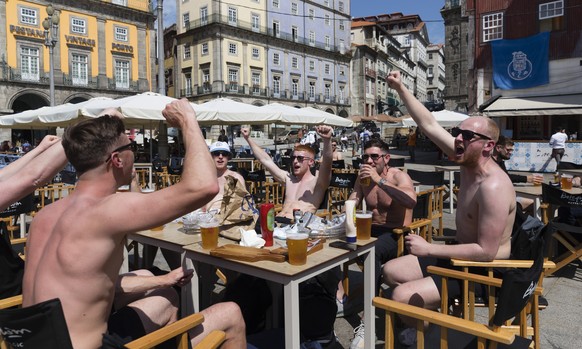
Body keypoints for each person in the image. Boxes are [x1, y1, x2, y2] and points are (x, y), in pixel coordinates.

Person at [22, 100, 246, 349]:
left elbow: (86, 283)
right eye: (132, 146)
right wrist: (187, 120)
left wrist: (160, 281)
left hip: (31, 340)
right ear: (117, 160)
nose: (135, 152)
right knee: (232, 314)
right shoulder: (107, 209)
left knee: (166, 298)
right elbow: (203, 186)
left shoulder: (46, 215)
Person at [379, 71, 515, 346]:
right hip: (459, 255)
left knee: (400, 296)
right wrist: (401, 87)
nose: (458, 139)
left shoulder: (493, 187)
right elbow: (428, 123)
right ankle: (427, 324)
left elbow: (486, 252)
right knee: (391, 271)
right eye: (457, 133)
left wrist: (430, 249)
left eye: (467, 135)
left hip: (482, 271)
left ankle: (425, 334)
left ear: (488, 146)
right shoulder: (467, 161)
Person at [343, 138, 417, 348]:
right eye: (365, 156)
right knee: (335, 245)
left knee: (370, 253)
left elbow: (411, 200)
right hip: (370, 229)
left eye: (374, 156)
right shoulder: (363, 176)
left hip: (395, 233)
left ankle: (368, 318)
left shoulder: (398, 176)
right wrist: (344, 216)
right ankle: (340, 295)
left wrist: (379, 180)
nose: (369, 160)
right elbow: (353, 200)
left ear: (386, 158)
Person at [0, 135, 67, 298]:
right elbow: (33, 177)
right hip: (15, 300)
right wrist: (83, 133)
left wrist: (40, 149)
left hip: (21, 280)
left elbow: (4, 176)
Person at [242, 125, 334, 219]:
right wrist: (248, 138)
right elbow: (265, 160)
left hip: (298, 229)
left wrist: (327, 141)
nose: (295, 161)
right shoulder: (289, 179)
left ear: (311, 161)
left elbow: (327, 164)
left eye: (300, 158)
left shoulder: (317, 183)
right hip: (279, 223)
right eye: (293, 157)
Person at [492, 135, 542, 213]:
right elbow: (506, 178)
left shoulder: (499, 161)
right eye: (508, 150)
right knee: (535, 204)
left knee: (536, 204)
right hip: (499, 202)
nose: (511, 153)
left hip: (506, 198)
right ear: (498, 148)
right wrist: (526, 179)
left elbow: (506, 177)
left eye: (512, 150)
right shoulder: (491, 164)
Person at [204, 141, 247, 212]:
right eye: (216, 153)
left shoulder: (236, 178)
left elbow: (243, 203)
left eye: (224, 154)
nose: (220, 157)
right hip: (205, 219)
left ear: (228, 157)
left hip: (229, 218)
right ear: (211, 157)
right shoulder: (204, 178)